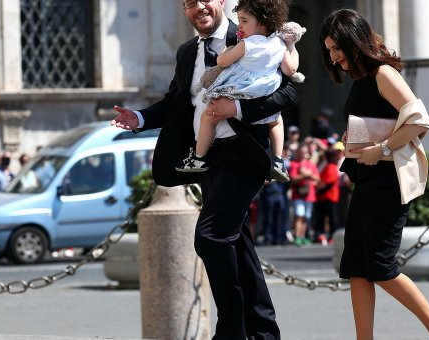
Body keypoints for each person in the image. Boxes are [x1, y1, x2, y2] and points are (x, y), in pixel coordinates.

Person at [110, 0, 297, 338]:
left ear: (221, 2)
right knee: (237, 242)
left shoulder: (249, 35)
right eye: (189, 3)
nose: (199, 7)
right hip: (207, 159)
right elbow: (175, 102)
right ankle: (263, 332)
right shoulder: (186, 53)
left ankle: (231, 331)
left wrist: (237, 108)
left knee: (211, 237)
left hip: (243, 155)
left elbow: (287, 95)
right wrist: (138, 118)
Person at [320, 9, 429, 339]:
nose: (334, 56)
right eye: (329, 50)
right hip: (368, 182)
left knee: (380, 265)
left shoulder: (383, 74)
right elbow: (378, 122)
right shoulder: (361, 80)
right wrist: (354, 137)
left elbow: (420, 120)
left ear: (354, 42)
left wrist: (382, 148)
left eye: (336, 48)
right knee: (356, 267)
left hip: (388, 184)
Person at [175, 0, 301, 184]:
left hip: (239, 92)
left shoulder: (246, 43)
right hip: (265, 88)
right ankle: (278, 160)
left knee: (208, 116)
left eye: (244, 21)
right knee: (276, 121)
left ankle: (199, 156)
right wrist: (292, 47)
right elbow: (291, 70)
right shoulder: (279, 44)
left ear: (261, 24)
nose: (240, 25)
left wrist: (228, 51)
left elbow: (223, 62)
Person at [288, 143, 319, 246]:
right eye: (301, 152)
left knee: (306, 216)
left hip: (309, 195)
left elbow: (317, 178)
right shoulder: (294, 164)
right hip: (298, 194)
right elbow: (293, 179)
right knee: (299, 215)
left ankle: (302, 236)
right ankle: (297, 237)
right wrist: (304, 175)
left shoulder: (311, 165)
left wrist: (307, 174)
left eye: (304, 152)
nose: (303, 154)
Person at [313, 149, 341, 245]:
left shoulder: (331, 167)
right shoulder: (329, 166)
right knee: (324, 218)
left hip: (329, 196)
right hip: (326, 197)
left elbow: (327, 183)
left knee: (332, 219)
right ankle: (323, 235)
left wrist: (317, 187)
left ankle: (332, 236)